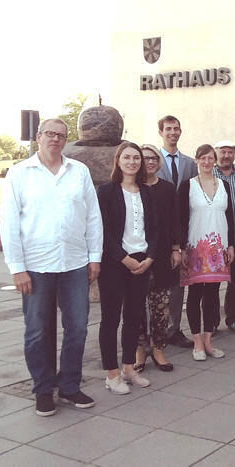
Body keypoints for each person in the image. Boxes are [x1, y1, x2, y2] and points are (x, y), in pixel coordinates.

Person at [0, 118, 102, 416]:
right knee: (37, 331)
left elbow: (93, 217)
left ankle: (69, 386)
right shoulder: (20, 173)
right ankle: (43, 389)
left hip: (74, 263)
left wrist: (95, 256)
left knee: (78, 328)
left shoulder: (79, 171)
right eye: (50, 134)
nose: (55, 139)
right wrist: (17, 268)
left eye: (61, 135)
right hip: (35, 265)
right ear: (38, 136)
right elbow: (9, 223)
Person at [97, 142, 158, 394]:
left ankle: (129, 368)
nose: (132, 162)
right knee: (111, 319)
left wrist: (150, 257)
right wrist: (123, 257)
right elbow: (103, 230)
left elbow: (155, 229)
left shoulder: (147, 192)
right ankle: (112, 374)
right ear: (118, 161)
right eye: (127, 157)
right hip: (115, 263)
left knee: (134, 317)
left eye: (136, 158)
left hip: (142, 261)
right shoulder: (106, 191)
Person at [176, 144, 234, 360]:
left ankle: (208, 340)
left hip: (218, 248)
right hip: (196, 247)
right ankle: (197, 342)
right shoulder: (188, 186)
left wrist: (230, 245)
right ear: (197, 160)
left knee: (212, 295)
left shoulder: (224, 185)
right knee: (195, 295)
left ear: (215, 161)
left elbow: (229, 216)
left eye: (211, 158)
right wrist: (181, 247)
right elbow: (181, 218)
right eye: (203, 158)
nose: (207, 162)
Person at [156, 115, 197, 349]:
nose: (173, 132)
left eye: (176, 128)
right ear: (161, 132)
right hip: (158, 231)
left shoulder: (190, 164)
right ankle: (155, 330)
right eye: (168, 128)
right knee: (155, 285)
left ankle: (174, 329)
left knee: (178, 284)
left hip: (182, 229)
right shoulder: (151, 160)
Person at [135, 144, 176, 372]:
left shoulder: (167, 189)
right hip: (137, 254)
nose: (149, 162)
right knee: (136, 305)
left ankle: (158, 348)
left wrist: (176, 248)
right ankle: (140, 349)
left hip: (162, 254)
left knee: (161, 306)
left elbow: (175, 220)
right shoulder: (132, 188)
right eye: (145, 158)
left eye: (153, 158)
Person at [212, 140, 235, 334]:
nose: (226, 155)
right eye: (223, 152)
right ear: (216, 153)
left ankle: (233, 317)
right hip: (214, 236)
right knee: (212, 281)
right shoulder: (208, 174)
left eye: (230, 152)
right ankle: (211, 320)